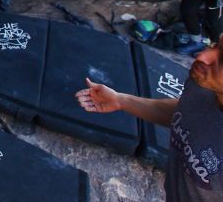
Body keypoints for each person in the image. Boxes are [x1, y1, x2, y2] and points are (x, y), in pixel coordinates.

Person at [75, 38, 223, 201]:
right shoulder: (203, 85)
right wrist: (120, 101)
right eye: (214, 45)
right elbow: (189, 111)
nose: (202, 56)